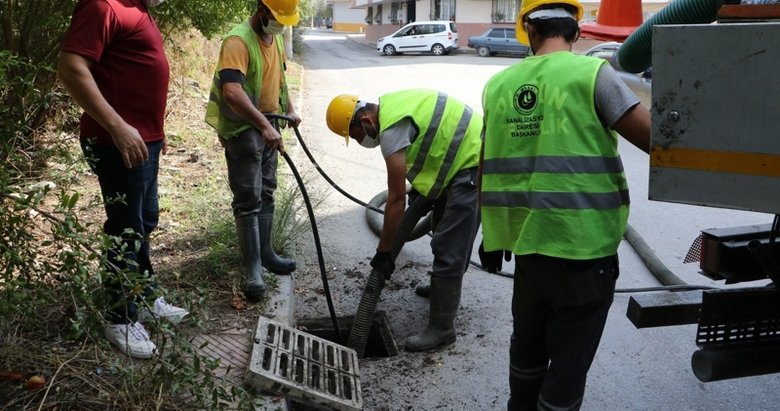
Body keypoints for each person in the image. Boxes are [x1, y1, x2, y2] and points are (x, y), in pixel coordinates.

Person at [478, 0, 651, 409]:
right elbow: (654, 141)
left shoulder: (499, 85)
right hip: (584, 249)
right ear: (575, 32)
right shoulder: (592, 73)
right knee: (568, 368)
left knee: (527, 349)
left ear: (531, 32)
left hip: (527, 248)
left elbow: (488, 163)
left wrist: (490, 235)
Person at [58, 0, 188, 360]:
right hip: (118, 143)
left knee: (144, 222)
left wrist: (156, 133)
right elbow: (71, 68)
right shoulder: (103, 6)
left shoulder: (138, 8)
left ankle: (144, 298)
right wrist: (117, 127)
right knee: (125, 231)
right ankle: (119, 319)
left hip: (145, 141)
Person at [325, 89, 482, 351]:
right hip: (461, 158)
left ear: (365, 121)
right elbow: (432, 141)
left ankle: (442, 329)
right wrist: (424, 188)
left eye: (356, 135)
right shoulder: (393, 107)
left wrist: (385, 254)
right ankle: (441, 288)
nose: (361, 141)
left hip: (473, 162)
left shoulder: (391, 130)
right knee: (443, 224)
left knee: (450, 247)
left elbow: (396, 201)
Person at [205, 0, 301, 302]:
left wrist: (292, 109)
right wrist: (263, 125)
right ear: (261, 10)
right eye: (276, 18)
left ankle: (267, 253)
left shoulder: (272, 39)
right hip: (244, 129)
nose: (280, 24)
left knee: (267, 191)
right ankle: (253, 269)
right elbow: (232, 93)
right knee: (248, 198)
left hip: (268, 126)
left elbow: (279, 79)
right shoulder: (238, 41)